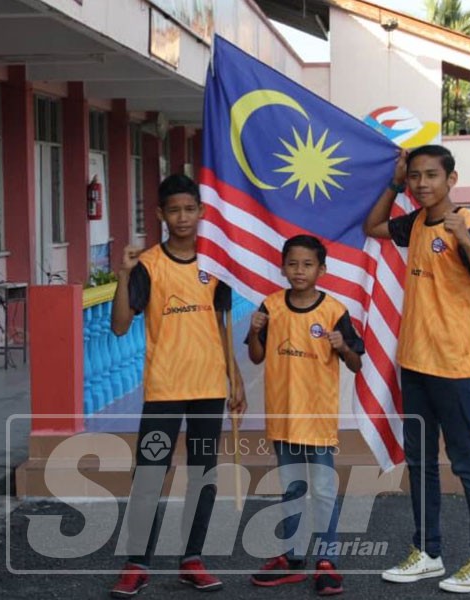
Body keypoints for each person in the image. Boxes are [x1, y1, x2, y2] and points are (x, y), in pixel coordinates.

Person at [363, 145, 470, 594]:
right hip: (415, 363)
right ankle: (427, 552)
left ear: (452, 179)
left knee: (467, 463)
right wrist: (392, 180)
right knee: (422, 463)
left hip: (452, 365)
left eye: (431, 176)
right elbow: (372, 227)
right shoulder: (414, 223)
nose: (422, 184)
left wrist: (465, 240)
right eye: (416, 177)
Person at [109, 173, 246, 598]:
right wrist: (122, 275)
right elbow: (118, 326)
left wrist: (235, 378)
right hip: (165, 388)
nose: (182, 217)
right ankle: (137, 563)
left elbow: (222, 323)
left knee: (203, 474)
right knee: (150, 473)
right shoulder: (148, 265)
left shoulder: (214, 263)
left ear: (202, 212)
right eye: (174, 210)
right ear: (159, 214)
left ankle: (192, 560)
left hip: (208, 387)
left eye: (190, 209)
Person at [246, 235, 364, 596]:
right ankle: (293, 557)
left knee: (324, 490)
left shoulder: (334, 311)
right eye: (293, 264)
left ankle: (327, 560)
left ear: (322, 270)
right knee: (292, 489)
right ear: (282, 268)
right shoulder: (271, 307)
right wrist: (254, 332)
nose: (299, 271)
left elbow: (356, 363)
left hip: (318, 418)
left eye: (308, 264)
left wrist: (342, 346)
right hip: (283, 418)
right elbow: (255, 356)